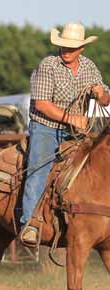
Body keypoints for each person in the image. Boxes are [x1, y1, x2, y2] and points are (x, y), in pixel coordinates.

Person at [20, 22, 110, 245]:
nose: (66, 51)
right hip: (46, 128)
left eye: (71, 47)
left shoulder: (89, 68)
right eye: (63, 46)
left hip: (75, 131)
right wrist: (72, 118)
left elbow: (106, 99)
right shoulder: (48, 66)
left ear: (81, 49)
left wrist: (101, 94)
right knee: (39, 168)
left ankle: (83, 215)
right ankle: (30, 222)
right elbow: (41, 104)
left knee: (92, 167)